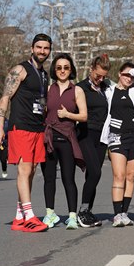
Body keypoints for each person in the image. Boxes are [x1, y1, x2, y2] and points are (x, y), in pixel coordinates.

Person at [0, 33, 52, 233]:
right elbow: (5, 98)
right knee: (24, 170)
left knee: (32, 171)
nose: (42, 51)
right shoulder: (20, 70)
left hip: (37, 128)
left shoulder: (44, 74)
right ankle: (30, 216)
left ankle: (19, 216)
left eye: (46, 48)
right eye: (39, 47)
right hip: (21, 126)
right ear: (32, 48)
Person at [100, 62, 134, 227]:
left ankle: (124, 213)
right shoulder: (109, 91)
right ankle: (117, 214)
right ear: (119, 74)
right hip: (116, 137)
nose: (129, 79)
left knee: (131, 177)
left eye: (132, 76)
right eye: (126, 75)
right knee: (119, 176)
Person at [41, 53, 87, 230]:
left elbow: (84, 116)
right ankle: (50, 214)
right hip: (49, 138)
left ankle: (72, 216)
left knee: (68, 178)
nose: (62, 71)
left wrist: (68, 115)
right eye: (59, 67)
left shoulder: (77, 90)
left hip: (67, 138)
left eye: (66, 67)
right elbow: (41, 111)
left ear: (71, 70)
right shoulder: (47, 89)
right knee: (49, 178)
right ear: (54, 69)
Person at [75, 54, 111, 228]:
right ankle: (82, 211)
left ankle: (88, 210)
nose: (100, 79)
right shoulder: (80, 88)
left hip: (102, 136)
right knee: (96, 172)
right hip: (85, 133)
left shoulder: (106, 88)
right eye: (98, 75)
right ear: (91, 69)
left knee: (92, 175)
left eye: (104, 76)